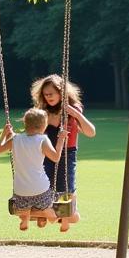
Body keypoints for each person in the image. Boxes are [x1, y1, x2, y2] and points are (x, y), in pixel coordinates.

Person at [31, 74, 96, 231]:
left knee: (66, 193)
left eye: (51, 94)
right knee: (43, 188)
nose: (48, 97)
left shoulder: (73, 109)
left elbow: (91, 132)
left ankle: (64, 215)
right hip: (46, 155)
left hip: (67, 154)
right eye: (45, 95)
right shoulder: (42, 111)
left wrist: (76, 114)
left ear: (61, 92)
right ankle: (48, 214)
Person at [0, 108, 64, 230]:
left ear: (25, 123)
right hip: (40, 189)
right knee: (51, 210)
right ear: (44, 125)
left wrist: (4, 135)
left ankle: (25, 219)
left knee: (24, 208)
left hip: (20, 191)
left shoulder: (15, 139)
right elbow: (56, 157)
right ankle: (47, 215)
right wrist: (61, 138)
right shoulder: (42, 140)